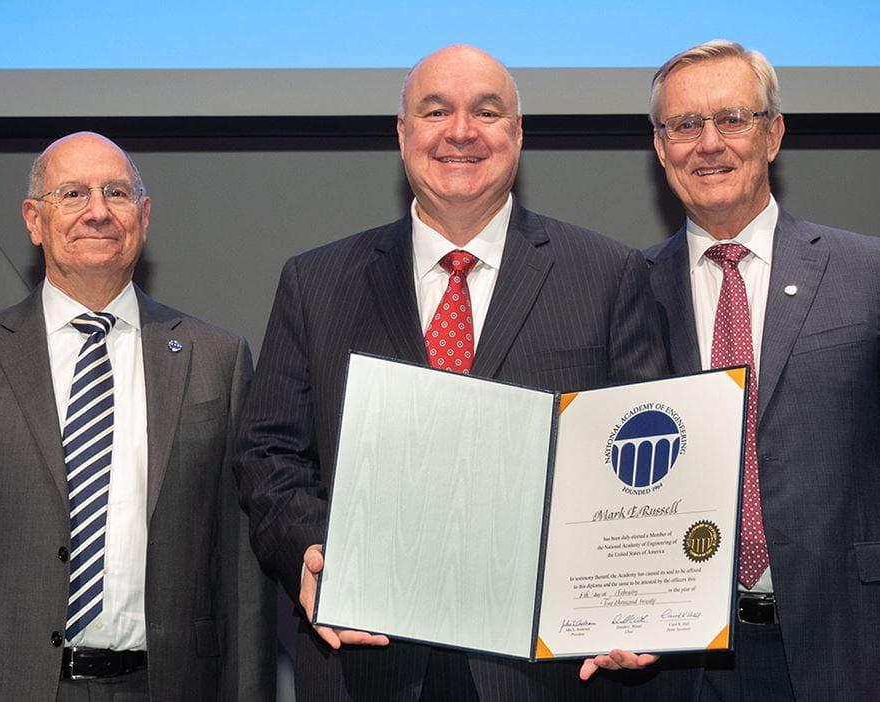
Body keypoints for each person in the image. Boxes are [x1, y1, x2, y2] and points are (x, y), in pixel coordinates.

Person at [235, 45, 668, 701]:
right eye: (435, 111)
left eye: (486, 112)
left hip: (544, 674)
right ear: (403, 134)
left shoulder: (608, 276)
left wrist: (633, 596)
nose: (460, 131)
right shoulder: (314, 283)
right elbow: (270, 453)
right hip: (365, 666)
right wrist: (313, 550)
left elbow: (643, 466)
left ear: (518, 134)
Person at [583, 40, 880, 701]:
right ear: (659, 147)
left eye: (733, 119)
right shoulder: (624, 291)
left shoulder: (873, 276)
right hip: (676, 665)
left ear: (774, 134)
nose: (709, 143)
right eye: (685, 125)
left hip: (849, 649)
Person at [0, 132, 272, 701]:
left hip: (163, 686)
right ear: (34, 220)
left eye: (116, 193)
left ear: (145, 215)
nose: (98, 212)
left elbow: (242, 575)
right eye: (73, 194)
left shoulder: (217, 359)